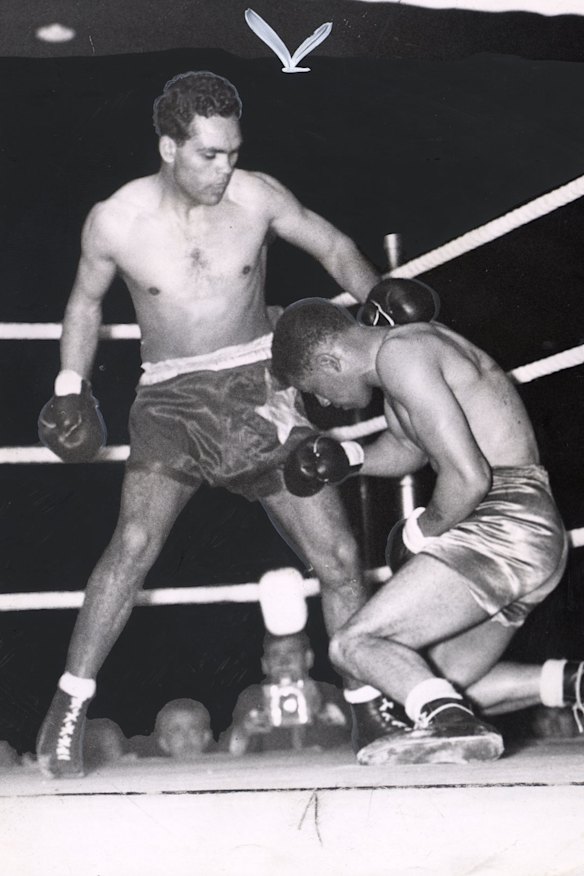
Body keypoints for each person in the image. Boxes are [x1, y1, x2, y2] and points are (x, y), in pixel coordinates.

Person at [35, 70, 387, 778]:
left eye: (232, 152)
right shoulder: (117, 219)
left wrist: (382, 307)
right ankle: (66, 713)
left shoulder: (256, 195)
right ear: (168, 147)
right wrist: (70, 388)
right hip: (169, 400)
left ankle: (367, 698)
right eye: (209, 155)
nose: (225, 169)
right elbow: (83, 304)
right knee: (132, 543)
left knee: (341, 556)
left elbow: (332, 244)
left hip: (261, 385)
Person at [271, 296, 581, 764]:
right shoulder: (397, 365)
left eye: (314, 388)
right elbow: (407, 447)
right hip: (527, 533)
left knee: (353, 644)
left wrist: (424, 532)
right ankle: (574, 683)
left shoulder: (403, 354)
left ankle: (454, 727)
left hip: (506, 521)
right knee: (435, 678)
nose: (321, 402)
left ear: (332, 360)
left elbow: (470, 478)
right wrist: (347, 459)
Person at [224, 631, 350, 755]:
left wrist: (334, 717)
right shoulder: (253, 699)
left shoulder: (330, 694)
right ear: (265, 664)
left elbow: (359, 739)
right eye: (275, 654)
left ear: (308, 658)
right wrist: (243, 731)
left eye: (292, 652)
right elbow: (223, 752)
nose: (284, 662)